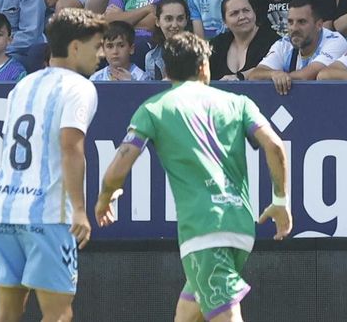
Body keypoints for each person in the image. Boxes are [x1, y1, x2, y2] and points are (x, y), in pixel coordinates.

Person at [97, 31, 290, 322]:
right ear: (204, 66)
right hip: (239, 225)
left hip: (203, 230)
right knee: (187, 315)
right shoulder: (238, 103)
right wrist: (280, 200)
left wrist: (105, 197)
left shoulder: (154, 109)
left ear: (167, 70)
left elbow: (119, 166)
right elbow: (275, 146)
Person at [0, 7, 103, 322]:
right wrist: (79, 209)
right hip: (48, 215)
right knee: (59, 314)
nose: (101, 54)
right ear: (76, 47)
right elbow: (71, 146)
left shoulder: (24, 84)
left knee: (6, 313)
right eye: (96, 45)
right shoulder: (80, 87)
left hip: (5, 211)